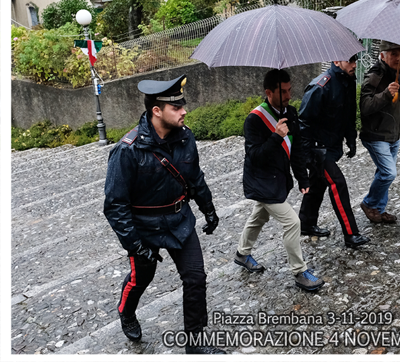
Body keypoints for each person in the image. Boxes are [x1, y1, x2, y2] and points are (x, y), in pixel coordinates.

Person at [103, 74, 225, 354]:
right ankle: (127, 311)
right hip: (144, 228)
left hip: (179, 221)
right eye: (176, 107)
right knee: (140, 278)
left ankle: (195, 345)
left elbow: (194, 177)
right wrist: (134, 244)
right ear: (156, 111)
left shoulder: (186, 137)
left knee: (196, 279)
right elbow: (115, 205)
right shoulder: (127, 150)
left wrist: (208, 208)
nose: (184, 111)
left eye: (183, 106)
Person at [234, 69, 324, 291]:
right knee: (293, 222)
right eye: (283, 91)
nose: (288, 95)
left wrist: (302, 178)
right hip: (261, 181)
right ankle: (299, 271)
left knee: (259, 217)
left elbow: (296, 150)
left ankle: (241, 253)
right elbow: (255, 156)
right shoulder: (254, 120)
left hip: (278, 180)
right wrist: (276, 136)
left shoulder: (290, 112)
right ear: (269, 92)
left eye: (289, 90)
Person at [298, 55, 371, 249]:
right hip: (317, 149)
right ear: (336, 61)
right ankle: (351, 233)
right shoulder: (320, 87)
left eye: (356, 61)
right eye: (350, 61)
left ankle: (306, 223)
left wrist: (351, 140)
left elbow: (348, 114)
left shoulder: (347, 82)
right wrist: (306, 155)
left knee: (317, 184)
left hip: (331, 145)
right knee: (337, 183)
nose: (354, 65)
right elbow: (303, 123)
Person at [359, 40, 400, 224]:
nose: (398, 57)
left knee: (383, 174)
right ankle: (368, 203)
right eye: (393, 54)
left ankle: (378, 211)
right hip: (375, 134)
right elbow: (365, 107)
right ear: (382, 55)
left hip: (393, 134)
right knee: (389, 173)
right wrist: (386, 94)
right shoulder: (375, 76)